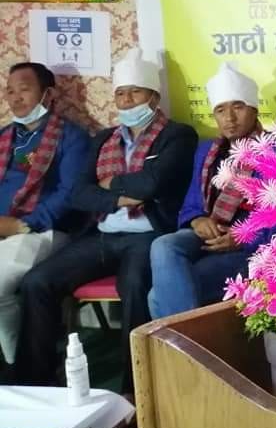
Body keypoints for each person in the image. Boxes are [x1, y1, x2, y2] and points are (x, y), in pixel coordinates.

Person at [14, 48, 197, 395]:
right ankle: (35, 386)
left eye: (135, 92)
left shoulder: (178, 135)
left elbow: (153, 183)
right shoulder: (103, 138)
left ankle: (135, 391)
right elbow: (79, 193)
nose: (127, 101)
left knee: (135, 287)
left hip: (147, 236)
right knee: (37, 282)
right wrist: (121, 197)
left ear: (154, 97)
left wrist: (110, 184)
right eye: (121, 94)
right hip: (101, 234)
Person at [148, 62, 265, 319]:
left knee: (156, 296)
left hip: (252, 247)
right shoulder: (207, 151)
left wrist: (244, 236)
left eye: (238, 107)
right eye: (221, 110)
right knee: (163, 245)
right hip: (210, 235)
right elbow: (191, 204)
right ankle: (189, 340)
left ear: (254, 109)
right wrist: (197, 220)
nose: (229, 118)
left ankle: (184, 343)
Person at [0, 62, 89, 364]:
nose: (15, 98)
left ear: (48, 94)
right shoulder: (4, 138)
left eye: (24, 90)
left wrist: (21, 225)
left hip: (44, 231)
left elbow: (70, 195)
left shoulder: (71, 138)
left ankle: (18, 371)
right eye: (10, 91)